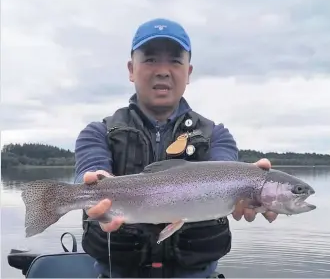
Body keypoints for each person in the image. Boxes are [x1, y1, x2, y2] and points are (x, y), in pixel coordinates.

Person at [74, 18, 278, 278]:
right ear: (131, 69)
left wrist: (249, 184)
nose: (162, 70)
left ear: (189, 72)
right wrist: (97, 183)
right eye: (150, 59)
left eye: (174, 60)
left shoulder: (217, 136)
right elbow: (90, 171)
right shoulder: (97, 133)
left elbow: (225, 169)